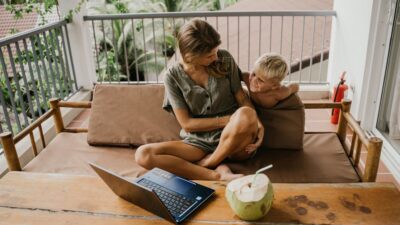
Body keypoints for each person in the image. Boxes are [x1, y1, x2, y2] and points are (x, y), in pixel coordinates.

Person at [135, 19, 264, 181]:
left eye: (216, 51)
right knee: (143, 154)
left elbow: (242, 99)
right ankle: (215, 175)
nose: (216, 57)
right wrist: (228, 120)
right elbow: (187, 124)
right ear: (190, 56)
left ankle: (209, 162)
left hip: (235, 140)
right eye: (210, 55)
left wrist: (258, 123)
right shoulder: (172, 76)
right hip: (199, 143)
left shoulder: (225, 60)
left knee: (246, 113)